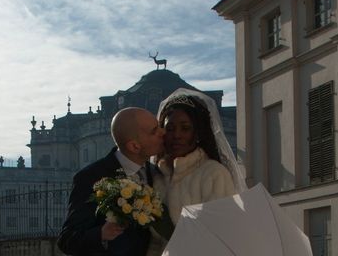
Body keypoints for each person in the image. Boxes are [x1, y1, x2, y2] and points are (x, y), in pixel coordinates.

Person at [146, 88, 246, 255]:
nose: (177, 135)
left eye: (185, 128)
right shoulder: (158, 178)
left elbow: (222, 235)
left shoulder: (214, 174)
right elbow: (155, 242)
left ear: (197, 132)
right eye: (170, 128)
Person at [58, 107, 165, 256]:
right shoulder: (91, 177)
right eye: (154, 131)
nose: (163, 132)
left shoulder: (158, 174)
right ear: (134, 146)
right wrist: (101, 234)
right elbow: (67, 240)